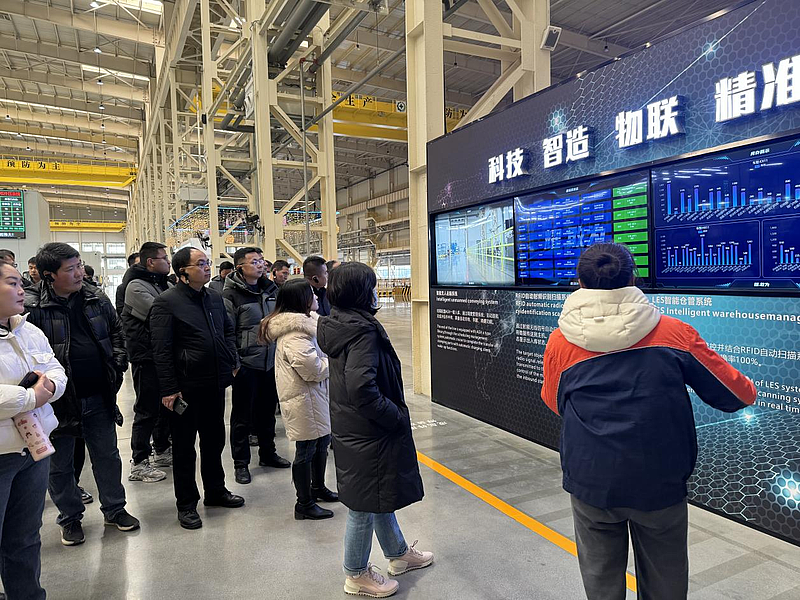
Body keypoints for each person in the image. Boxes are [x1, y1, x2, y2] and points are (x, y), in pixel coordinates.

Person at [541, 243, 757, 600]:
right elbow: (739, 395)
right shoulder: (675, 334)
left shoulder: (560, 343)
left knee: (600, 582)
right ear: (633, 279)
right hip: (659, 481)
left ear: (579, 282)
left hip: (591, 480)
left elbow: (553, 401)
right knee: (665, 583)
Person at [317, 262, 432, 598]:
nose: (375, 290)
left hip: (353, 426)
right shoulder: (362, 331)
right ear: (361, 292)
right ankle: (356, 573)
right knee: (363, 506)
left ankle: (398, 554)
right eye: (371, 285)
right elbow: (361, 388)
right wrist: (394, 416)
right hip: (369, 431)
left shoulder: (338, 323)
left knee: (376, 495)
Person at [25, 242, 139, 547]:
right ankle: (70, 518)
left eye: (79, 266)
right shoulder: (33, 308)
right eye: (70, 269)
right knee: (60, 464)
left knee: (107, 456)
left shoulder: (95, 298)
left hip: (98, 394)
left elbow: (117, 333)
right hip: (56, 402)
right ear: (49, 275)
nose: (79, 273)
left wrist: (117, 363)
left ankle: (115, 509)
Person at [149, 247, 244, 530]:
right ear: (183, 272)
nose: (206, 267)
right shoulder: (166, 303)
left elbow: (227, 330)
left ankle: (215, 491)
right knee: (184, 448)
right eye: (200, 264)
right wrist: (169, 388)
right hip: (185, 387)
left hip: (214, 382)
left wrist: (232, 359)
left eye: (207, 263)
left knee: (214, 441)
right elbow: (161, 350)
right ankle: (187, 504)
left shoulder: (213, 297)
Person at [0, 261, 66, 599]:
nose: (22, 289)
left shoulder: (29, 330)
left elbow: (54, 369)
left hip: (33, 448)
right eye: (12, 283)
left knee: (25, 537)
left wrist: (50, 387)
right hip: (1, 453)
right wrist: (31, 397)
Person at [261, 278, 337, 520]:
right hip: (303, 400)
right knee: (306, 449)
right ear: (301, 300)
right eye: (311, 294)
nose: (316, 297)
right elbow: (313, 370)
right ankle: (303, 503)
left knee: (321, 442)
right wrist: (335, 362)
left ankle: (318, 488)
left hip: (314, 396)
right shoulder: (295, 334)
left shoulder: (308, 324)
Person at [222, 247, 289, 485]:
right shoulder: (230, 295)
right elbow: (226, 332)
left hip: (270, 363)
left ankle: (268, 453)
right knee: (242, 417)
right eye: (254, 261)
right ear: (240, 267)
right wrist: (235, 364)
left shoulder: (271, 291)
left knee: (267, 413)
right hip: (246, 364)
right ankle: (241, 463)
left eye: (261, 261)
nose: (260, 265)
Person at [122, 242, 174, 484]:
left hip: (164, 356)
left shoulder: (164, 284)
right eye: (164, 258)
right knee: (146, 410)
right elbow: (162, 314)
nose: (169, 262)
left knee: (166, 406)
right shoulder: (136, 286)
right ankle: (139, 462)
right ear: (151, 262)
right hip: (146, 357)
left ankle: (161, 449)